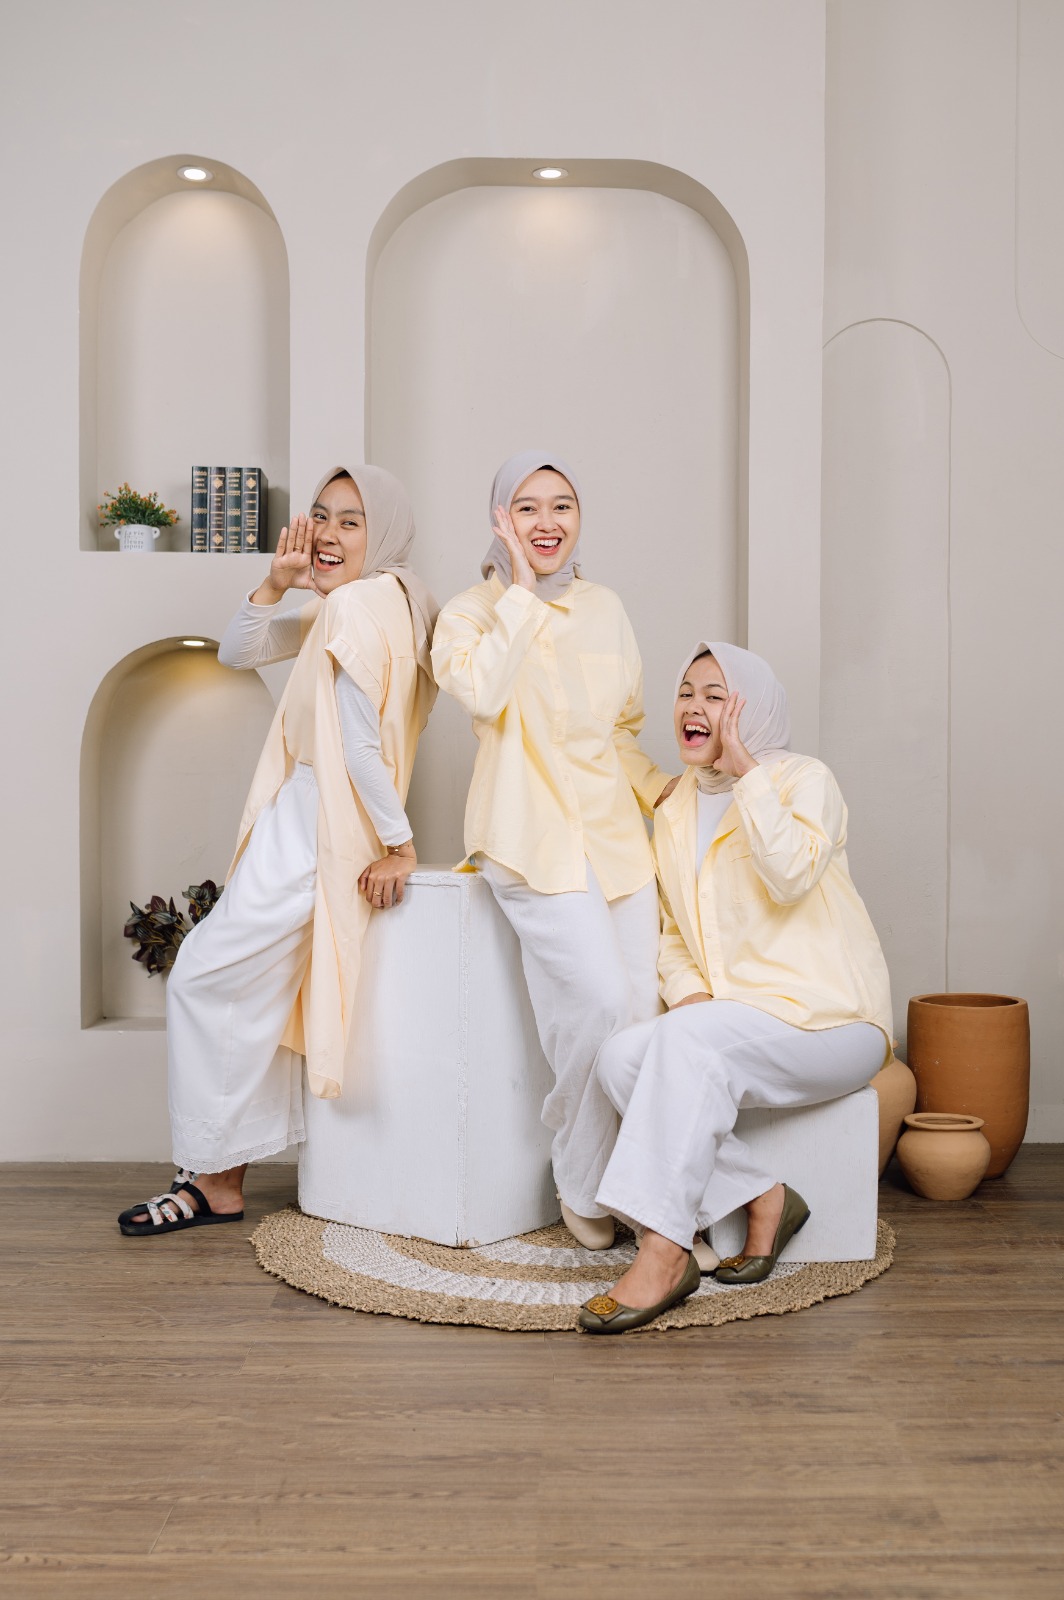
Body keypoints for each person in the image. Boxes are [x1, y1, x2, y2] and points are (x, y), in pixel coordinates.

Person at [118, 465, 438, 1236]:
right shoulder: (378, 602)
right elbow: (242, 650)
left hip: (316, 822)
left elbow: (360, 746)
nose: (326, 533)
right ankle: (218, 1177)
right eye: (320, 515)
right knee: (250, 993)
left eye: (351, 521)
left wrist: (401, 845)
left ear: (385, 533)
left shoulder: (357, 606)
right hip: (314, 817)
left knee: (202, 977)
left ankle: (211, 1174)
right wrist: (275, 583)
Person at [577, 641, 893, 1332]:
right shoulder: (676, 808)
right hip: (736, 1020)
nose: (694, 707)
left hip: (830, 1021)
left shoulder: (803, 780)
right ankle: (763, 1194)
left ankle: (664, 1252)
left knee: (683, 1046)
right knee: (619, 1059)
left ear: (753, 710)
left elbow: (791, 875)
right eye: (686, 692)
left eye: (716, 696)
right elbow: (671, 928)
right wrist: (688, 992)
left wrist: (749, 771)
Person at [431, 451, 676, 1250]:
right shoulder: (469, 612)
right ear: (500, 519)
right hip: (526, 839)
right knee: (595, 1004)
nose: (547, 522)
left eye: (561, 505)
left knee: (638, 1015)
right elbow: (481, 692)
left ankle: (641, 1189)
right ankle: (581, 1171)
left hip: (617, 842)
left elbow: (622, 730)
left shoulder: (608, 608)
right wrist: (520, 593)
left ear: (579, 518)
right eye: (526, 508)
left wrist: (662, 792)